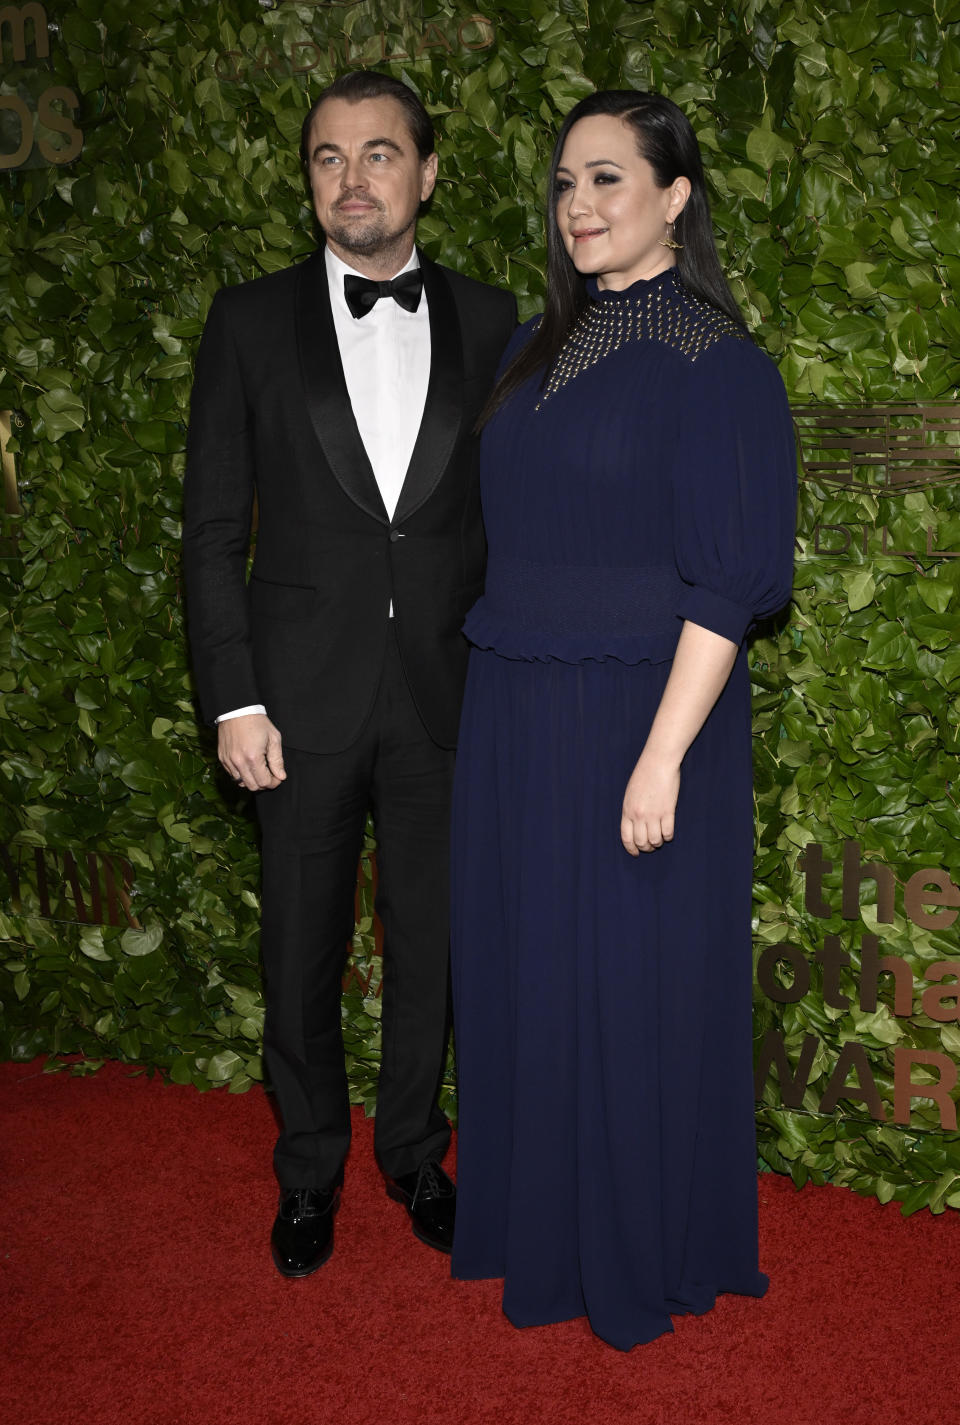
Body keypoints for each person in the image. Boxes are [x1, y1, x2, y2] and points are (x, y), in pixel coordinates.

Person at [449, 90, 796, 1350]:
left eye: (606, 180)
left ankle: (639, 1250)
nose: (579, 207)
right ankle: (536, 1228)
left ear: (675, 195)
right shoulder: (528, 350)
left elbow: (733, 578)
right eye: (564, 186)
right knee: (530, 976)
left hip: (641, 722)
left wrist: (661, 759)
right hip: (517, 710)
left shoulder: (720, 363)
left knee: (628, 987)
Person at [182, 70, 516, 1279]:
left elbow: (516, 520)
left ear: (426, 174)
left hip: (446, 694)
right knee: (300, 952)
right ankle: (310, 1170)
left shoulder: (494, 320)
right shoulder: (247, 320)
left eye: (380, 155)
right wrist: (231, 695)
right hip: (294, 700)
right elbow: (214, 529)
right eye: (329, 157)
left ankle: (418, 1153)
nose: (353, 179)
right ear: (308, 180)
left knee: (432, 947)